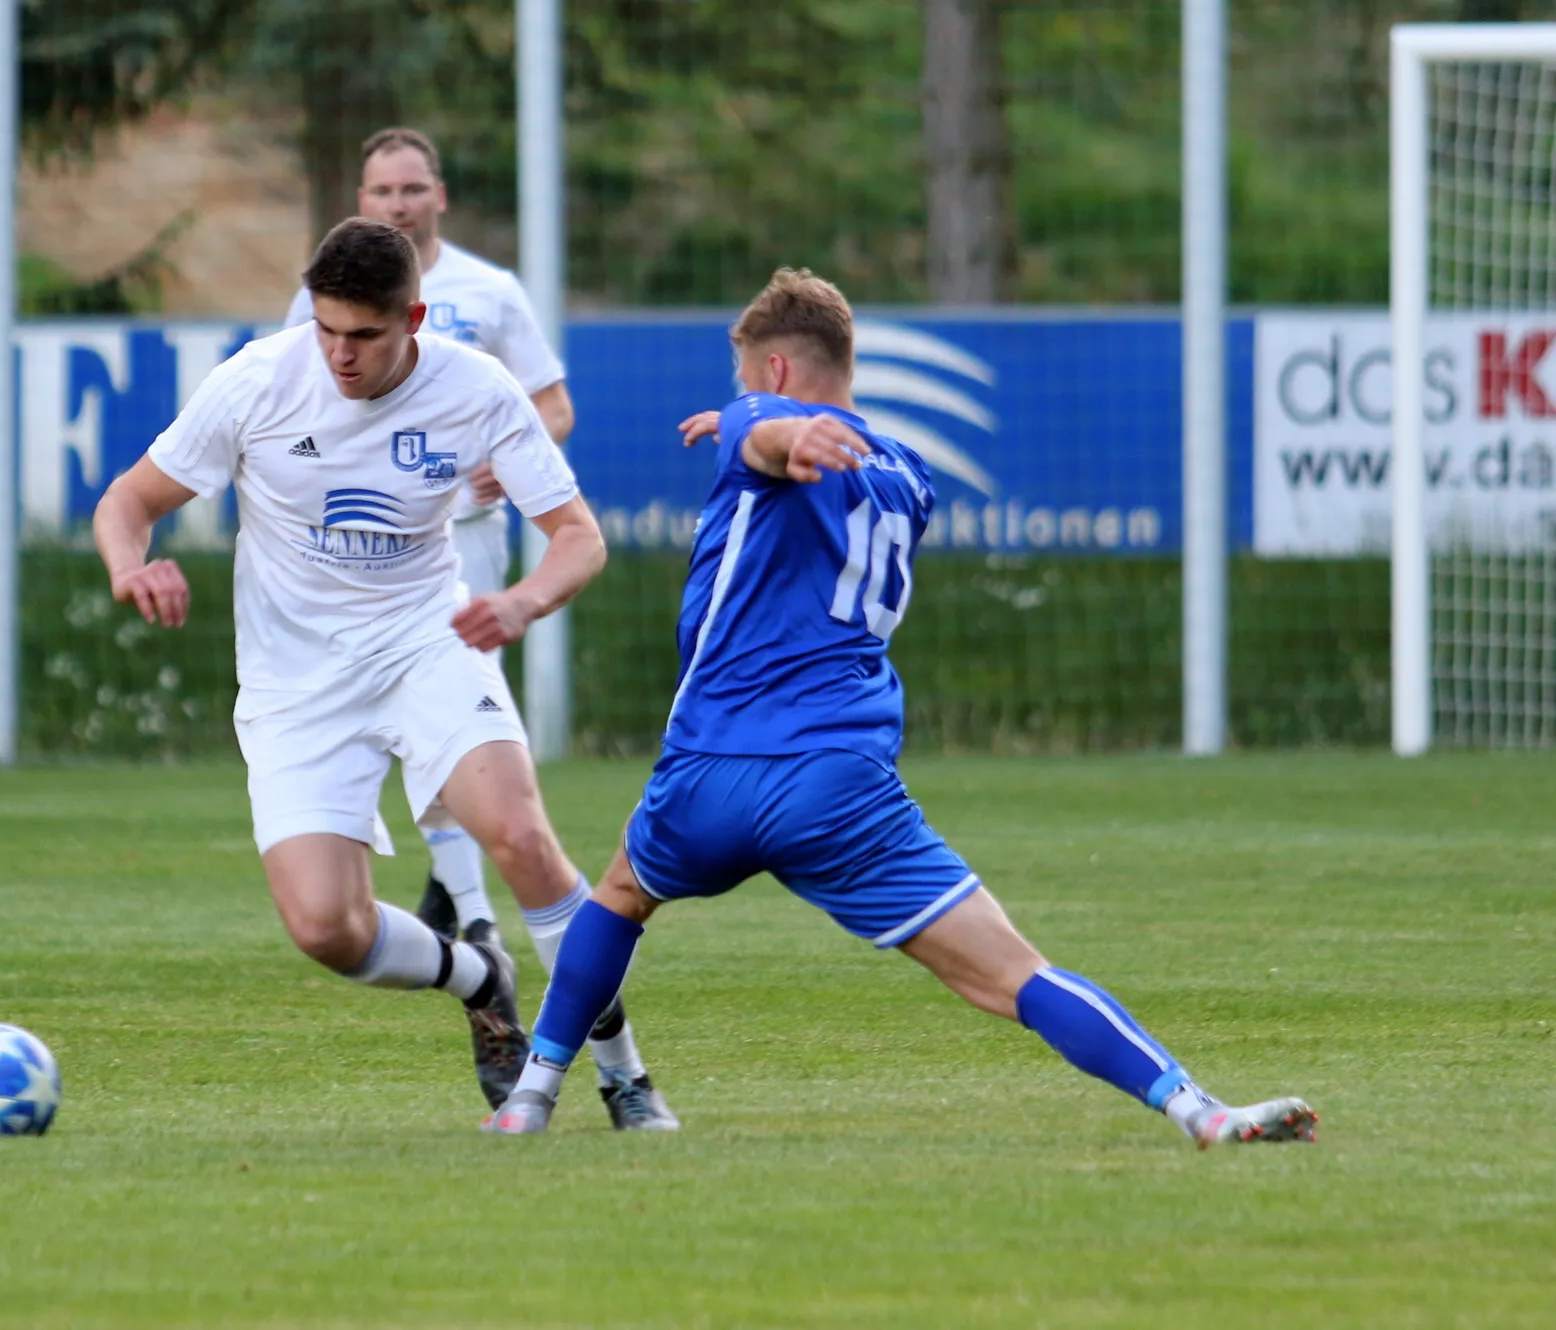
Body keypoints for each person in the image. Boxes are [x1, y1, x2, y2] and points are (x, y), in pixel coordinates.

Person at [483, 269, 1317, 1148]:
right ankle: (1197, 1109)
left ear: (775, 371)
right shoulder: (910, 477)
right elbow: (778, 446)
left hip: (713, 770)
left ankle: (529, 1099)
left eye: (745, 380)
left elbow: (765, 435)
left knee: (618, 897)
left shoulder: (763, 423)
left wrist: (763, 428)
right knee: (1016, 975)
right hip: (838, 788)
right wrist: (768, 432)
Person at [96, 216, 675, 1129]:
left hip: (426, 644)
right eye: (326, 328)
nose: (340, 354)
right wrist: (130, 565)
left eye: (363, 334)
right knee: (326, 928)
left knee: (522, 838)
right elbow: (129, 499)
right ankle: (478, 976)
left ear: (413, 318)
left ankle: (624, 1077)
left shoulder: (475, 387)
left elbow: (578, 537)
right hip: (296, 683)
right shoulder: (257, 380)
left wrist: (522, 602)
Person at [284, 128, 575, 952]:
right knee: (416, 718)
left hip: (464, 541)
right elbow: (288, 400)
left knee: (456, 716)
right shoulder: (329, 299)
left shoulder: (490, 291)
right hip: (359, 551)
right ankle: (470, 909)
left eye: (412, 189)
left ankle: (465, 900)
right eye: (382, 191)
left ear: (439, 196)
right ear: (362, 200)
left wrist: (507, 462)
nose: (398, 204)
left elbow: (552, 407)